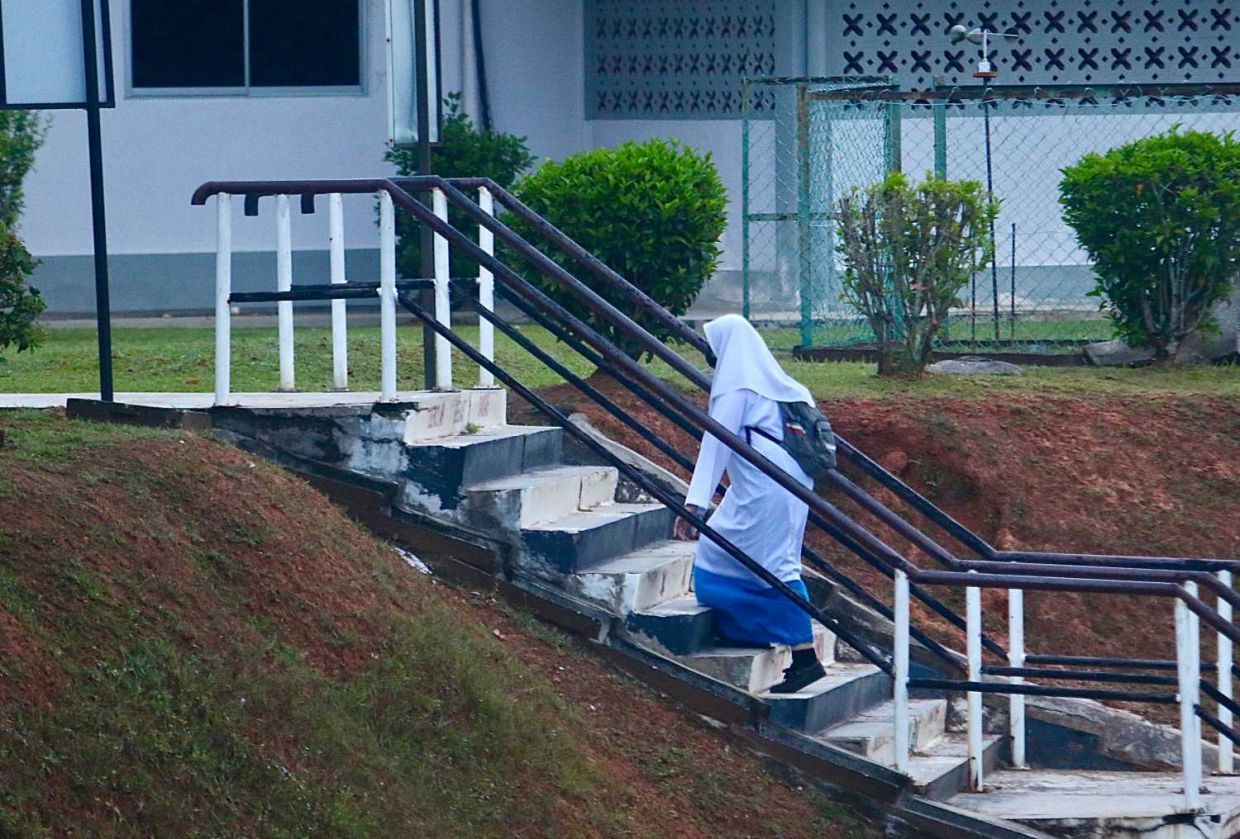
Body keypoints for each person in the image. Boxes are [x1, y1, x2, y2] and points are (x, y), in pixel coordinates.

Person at [673, 314, 825, 694]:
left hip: (763, 491)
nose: (711, 357)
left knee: (740, 559)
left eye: (713, 349)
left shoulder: (735, 386)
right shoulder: (787, 387)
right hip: (792, 488)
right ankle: (757, 632)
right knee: (762, 557)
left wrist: (695, 506)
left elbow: (716, 444)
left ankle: (805, 657)